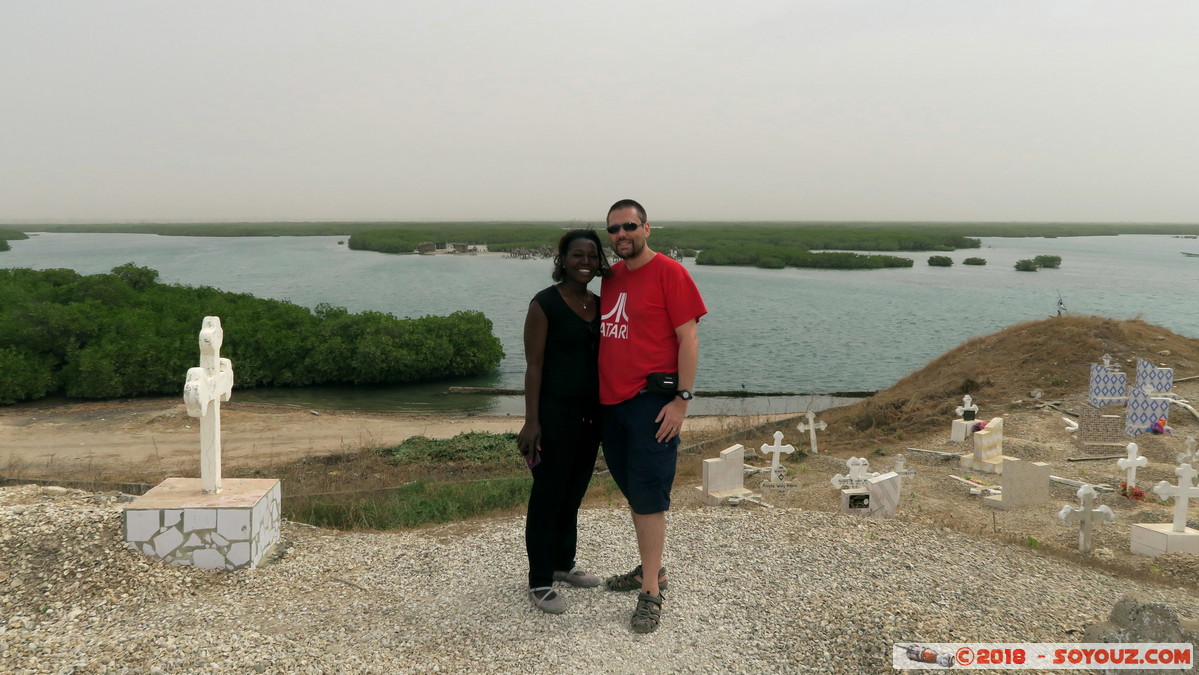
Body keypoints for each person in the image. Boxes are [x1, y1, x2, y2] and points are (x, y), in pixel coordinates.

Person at [598, 199, 707, 633]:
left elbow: (689, 338)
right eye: (613, 229)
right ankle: (652, 569)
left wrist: (681, 401)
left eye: (628, 226)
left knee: (649, 495)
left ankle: (651, 593)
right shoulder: (611, 278)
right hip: (611, 404)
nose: (620, 234)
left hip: (650, 404)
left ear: (647, 228)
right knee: (633, 489)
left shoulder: (670, 272)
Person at [517, 229, 611, 614]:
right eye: (577, 255)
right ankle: (539, 580)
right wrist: (531, 422)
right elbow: (534, 367)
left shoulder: (601, 305)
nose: (585, 262)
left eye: (592, 255)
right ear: (562, 260)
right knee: (548, 498)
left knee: (573, 496)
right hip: (554, 416)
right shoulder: (545, 304)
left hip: (591, 417)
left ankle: (562, 564)